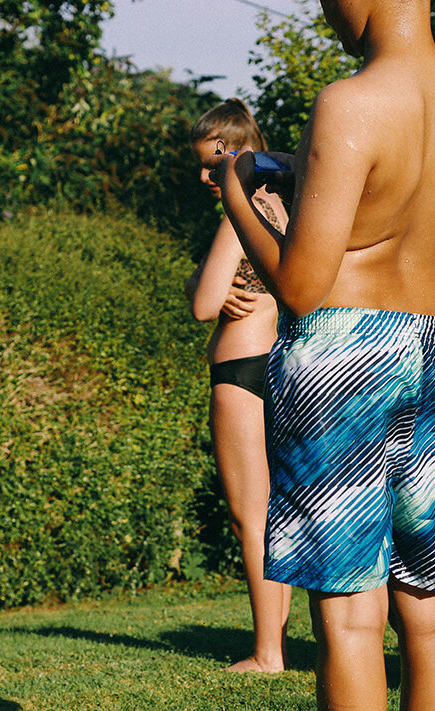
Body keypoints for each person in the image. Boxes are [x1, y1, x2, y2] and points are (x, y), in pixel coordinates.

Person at [216, 0, 435, 711]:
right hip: (432, 346)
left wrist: (236, 190)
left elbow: (300, 284)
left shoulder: (350, 101)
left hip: (343, 353)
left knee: (350, 614)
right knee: (431, 610)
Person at [183, 99, 292, 674]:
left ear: (236, 152)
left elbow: (205, 305)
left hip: (239, 369)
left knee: (249, 515)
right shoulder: (282, 207)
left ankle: (267, 653)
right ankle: (277, 643)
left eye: (211, 163)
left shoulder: (237, 211)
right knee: (278, 512)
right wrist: (203, 282)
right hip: (283, 366)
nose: (205, 177)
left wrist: (199, 285)